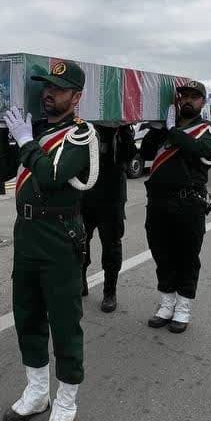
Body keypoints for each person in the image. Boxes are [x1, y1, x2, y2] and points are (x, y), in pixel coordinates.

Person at [0, 60, 98, 421]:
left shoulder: (82, 135)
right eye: (45, 87)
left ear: (76, 96)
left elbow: (53, 177)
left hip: (60, 235)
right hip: (28, 232)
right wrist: (1, 133)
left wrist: (24, 140)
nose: (48, 93)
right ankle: (37, 392)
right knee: (28, 314)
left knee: (65, 320)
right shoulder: (34, 132)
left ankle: (66, 401)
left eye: (58, 88)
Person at [140, 80, 211, 334]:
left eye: (193, 97)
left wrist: (172, 130)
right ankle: (166, 304)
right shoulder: (166, 128)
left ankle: (183, 307)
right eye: (183, 96)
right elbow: (145, 152)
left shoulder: (210, 130)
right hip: (158, 201)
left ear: (202, 102)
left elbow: (199, 151)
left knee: (187, 256)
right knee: (161, 253)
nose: (187, 100)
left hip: (189, 202)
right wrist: (155, 129)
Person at [81, 123, 135, 313]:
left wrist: (124, 128)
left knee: (111, 245)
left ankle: (109, 292)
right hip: (85, 191)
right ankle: (81, 280)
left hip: (111, 194)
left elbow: (129, 155)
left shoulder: (121, 127)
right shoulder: (83, 122)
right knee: (80, 241)